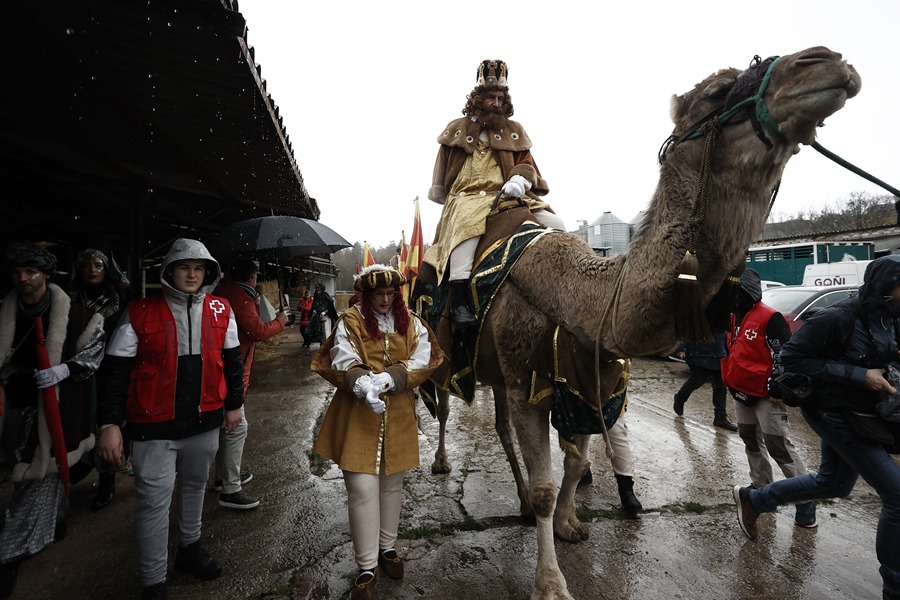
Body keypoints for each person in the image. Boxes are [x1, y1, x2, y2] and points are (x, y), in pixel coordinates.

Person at [734, 255, 900, 600]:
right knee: (898, 497)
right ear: (886, 288)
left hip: (867, 417)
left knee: (834, 484)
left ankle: (755, 499)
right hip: (832, 412)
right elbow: (791, 359)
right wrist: (859, 375)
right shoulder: (837, 318)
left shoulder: (891, 317)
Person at [97, 238, 244, 600]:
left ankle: (189, 549)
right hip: (153, 427)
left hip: (205, 421)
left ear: (209, 272)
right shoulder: (139, 311)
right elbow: (115, 372)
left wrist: (234, 406)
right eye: (184, 267)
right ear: (169, 271)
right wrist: (109, 423)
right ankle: (153, 582)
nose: (192, 274)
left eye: (199, 268)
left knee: (194, 489)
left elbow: (234, 363)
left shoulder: (221, 310)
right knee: (153, 502)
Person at [311, 265, 443, 600]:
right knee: (362, 488)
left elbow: (423, 356)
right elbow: (341, 357)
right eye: (378, 294)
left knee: (392, 486)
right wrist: (364, 383)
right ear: (366, 295)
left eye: (389, 294)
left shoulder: (410, 320)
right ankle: (366, 566)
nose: (384, 300)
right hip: (356, 415)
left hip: (397, 414)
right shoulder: (351, 320)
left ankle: (387, 549)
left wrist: (390, 378)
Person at [422, 59, 566, 329]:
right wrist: (451, 197)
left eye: (501, 97)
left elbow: (527, 165)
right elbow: (443, 171)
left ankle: (559, 284)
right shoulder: (457, 129)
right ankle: (459, 300)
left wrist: (520, 180)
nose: (497, 102)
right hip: (467, 195)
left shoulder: (515, 131)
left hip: (508, 196)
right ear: (478, 98)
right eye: (491, 97)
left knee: (556, 224)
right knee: (468, 224)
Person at [0, 242, 105, 599]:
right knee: (24, 468)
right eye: (18, 273)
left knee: (40, 472)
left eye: (31, 272)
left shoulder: (75, 314)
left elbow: (94, 349)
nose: (24, 279)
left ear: (46, 274)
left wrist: (67, 368)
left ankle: (13, 548)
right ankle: (55, 520)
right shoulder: (5, 313)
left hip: (60, 404)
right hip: (17, 404)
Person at [724, 268, 816, 529]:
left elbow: (785, 354)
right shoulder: (733, 317)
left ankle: (804, 499)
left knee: (779, 446)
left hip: (767, 397)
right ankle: (761, 490)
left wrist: (777, 388)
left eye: (737, 292)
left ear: (747, 292)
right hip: (741, 393)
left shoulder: (769, 317)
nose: (733, 297)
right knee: (750, 440)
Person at [211, 258, 289, 510]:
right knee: (236, 427)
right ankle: (230, 488)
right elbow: (257, 332)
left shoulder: (225, 291)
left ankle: (223, 477)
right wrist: (280, 321)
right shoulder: (239, 298)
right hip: (232, 369)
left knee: (227, 426)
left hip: (225, 366)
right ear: (252, 277)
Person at [67, 247, 132, 511]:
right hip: (81, 371)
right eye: (86, 266)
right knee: (85, 423)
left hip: (115, 368)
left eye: (98, 265)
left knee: (113, 422)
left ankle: (108, 480)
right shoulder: (70, 301)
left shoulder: (122, 299)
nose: (92, 270)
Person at [672, 333, 738, 431]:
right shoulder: (697, 317)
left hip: (719, 353)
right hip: (698, 352)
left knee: (721, 386)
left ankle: (720, 417)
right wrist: (680, 348)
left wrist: (729, 351)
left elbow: (726, 332)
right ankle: (680, 398)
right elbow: (686, 328)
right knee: (697, 380)